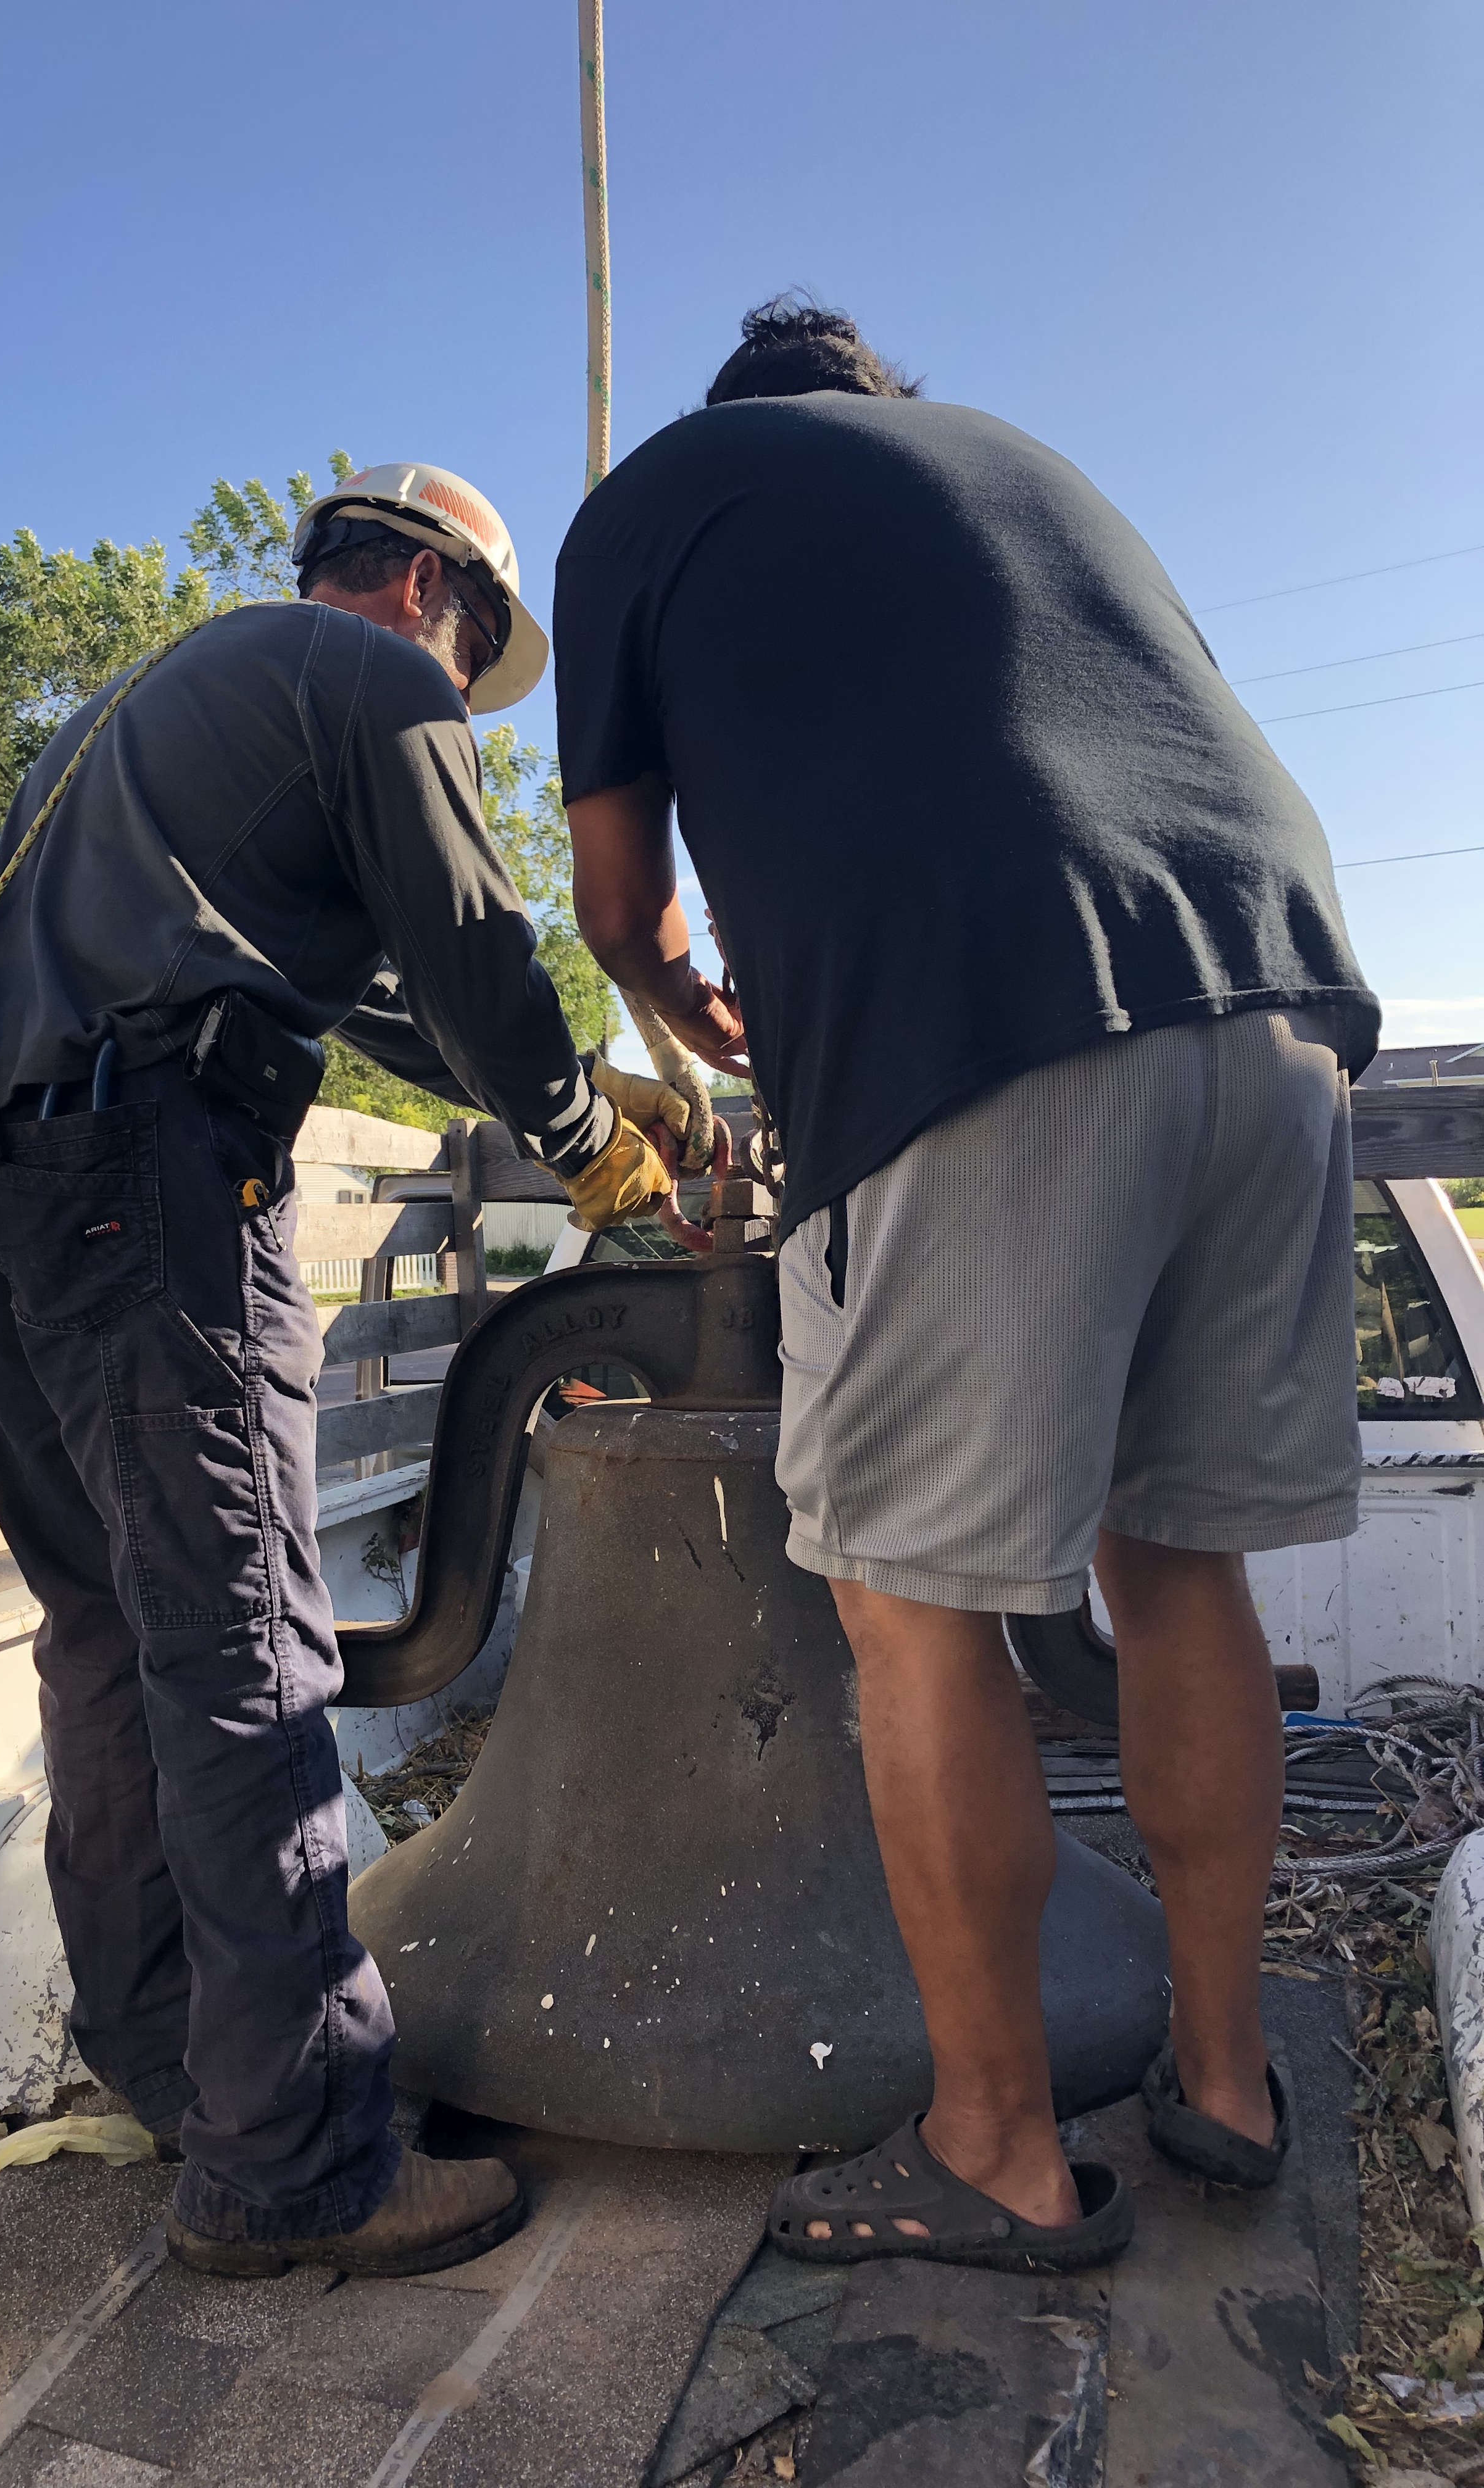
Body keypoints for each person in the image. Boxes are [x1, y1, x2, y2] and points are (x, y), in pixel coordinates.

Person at [555, 299, 1378, 2268]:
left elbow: (616, 901)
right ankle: (1226, 2085)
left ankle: (997, 2152)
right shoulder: (1028, 468)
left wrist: (693, 1006)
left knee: (915, 1611)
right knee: (1180, 1565)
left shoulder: (655, 498)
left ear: (732, 414)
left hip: (986, 1021)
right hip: (1278, 1012)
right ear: (883, 403)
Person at [0, 463, 687, 2281]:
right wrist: (592, 1143)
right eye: (479, 640)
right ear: (431, 591)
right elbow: (477, 955)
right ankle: (298, 2165)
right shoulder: (383, 684)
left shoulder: (161, 706)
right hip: (158, 1188)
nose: (470, 676)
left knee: (114, 1636)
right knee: (246, 1648)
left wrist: (562, 1076)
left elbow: (396, 1003)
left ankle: (186, 2071)